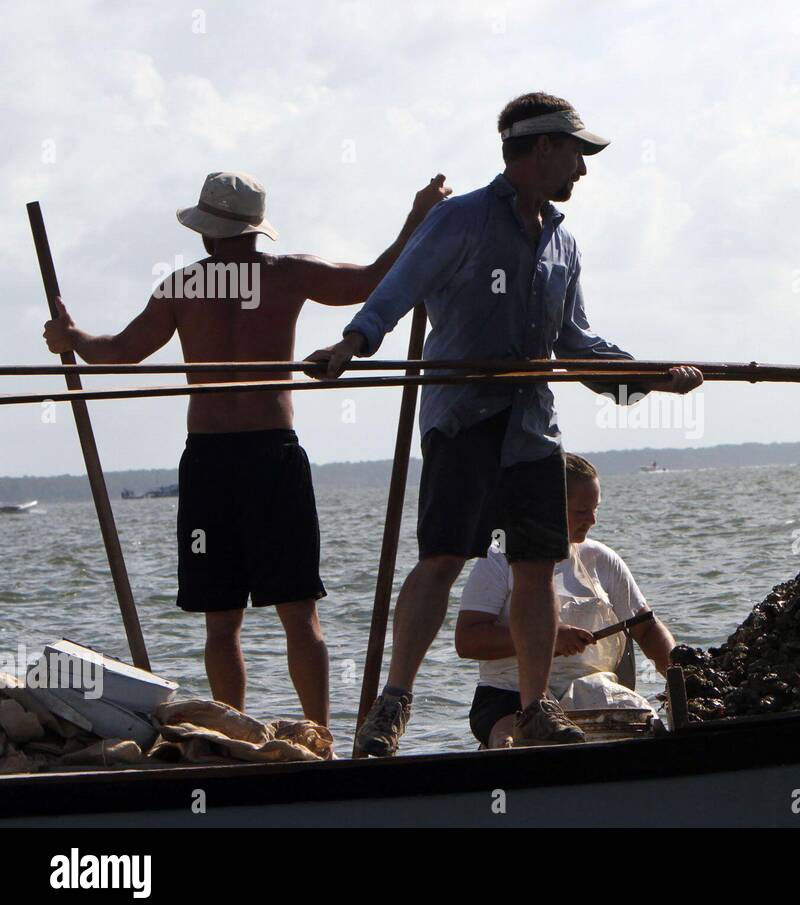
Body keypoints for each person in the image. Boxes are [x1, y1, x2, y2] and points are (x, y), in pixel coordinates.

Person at [307, 92, 703, 754]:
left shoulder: (563, 241)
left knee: (534, 564)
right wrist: (350, 346)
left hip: (532, 429)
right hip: (463, 419)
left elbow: (575, 346)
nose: (583, 169)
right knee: (441, 558)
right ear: (544, 148)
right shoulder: (459, 222)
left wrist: (652, 377)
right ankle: (394, 704)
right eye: (578, 153)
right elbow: (396, 291)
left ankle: (535, 704)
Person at [42, 169, 451, 730]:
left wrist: (73, 338)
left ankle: (243, 732)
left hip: (216, 459)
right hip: (267, 458)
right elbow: (373, 280)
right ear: (257, 230)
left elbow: (117, 352)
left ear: (206, 233)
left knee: (225, 620)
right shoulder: (285, 274)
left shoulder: (185, 285)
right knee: (297, 614)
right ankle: (318, 736)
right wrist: (416, 218)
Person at [456, 453, 675, 748]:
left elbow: (646, 630)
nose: (593, 520)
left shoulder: (603, 560)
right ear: (551, 507)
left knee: (648, 726)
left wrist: (683, 679)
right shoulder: (499, 557)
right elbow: (467, 640)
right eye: (582, 511)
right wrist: (547, 639)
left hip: (593, 687)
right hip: (508, 693)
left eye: (595, 509)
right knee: (509, 741)